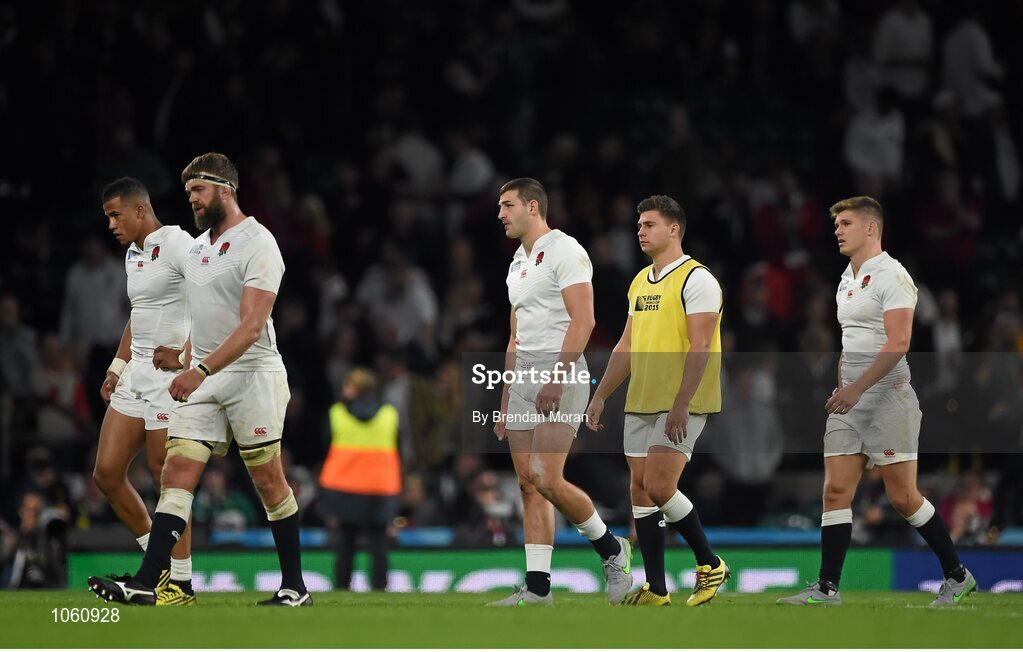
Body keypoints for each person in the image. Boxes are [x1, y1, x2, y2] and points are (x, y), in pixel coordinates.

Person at [89, 152, 310, 607]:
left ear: (224, 190)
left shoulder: (258, 241)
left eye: (197, 191)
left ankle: (295, 586)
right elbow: (199, 318)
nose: (190, 199)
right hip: (203, 379)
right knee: (176, 473)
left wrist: (196, 369)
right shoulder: (202, 247)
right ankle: (156, 583)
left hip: (252, 374)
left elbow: (251, 327)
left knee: (269, 482)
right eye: (188, 191)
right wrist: (183, 359)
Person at [778, 196, 975, 607]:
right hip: (850, 401)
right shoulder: (846, 279)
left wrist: (856, 389)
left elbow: (899, 342)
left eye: (845, 223)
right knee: (834, 492)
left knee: (903, 497)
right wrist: (841, 387)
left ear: (871, 228)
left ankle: (957, 575)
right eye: (836, 224)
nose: (837, 230)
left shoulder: (894, 276)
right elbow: (850, 344)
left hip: (888, 399)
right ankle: (828, 588)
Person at [489, 177, 632, 607]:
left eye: (508, 205)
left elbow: (584, 320)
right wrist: (505, 396)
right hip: (524, 380)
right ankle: (537, 589)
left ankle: (611, 548)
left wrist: (556, 378)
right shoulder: (517, 261)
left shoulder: (567, 250)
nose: (500, 214)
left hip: (561, 375)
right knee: (527, 485)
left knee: (546, 477)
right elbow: (515, 334)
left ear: (533, 207)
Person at [586, 195, 729, 607]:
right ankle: (657, 588)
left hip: (683, 399)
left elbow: (701, 345)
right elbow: (626, 346)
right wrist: (601, 396)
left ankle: (710, 562)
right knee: (640, 492)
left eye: (649, 224)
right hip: (642, 397)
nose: (640, 231)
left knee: (660, 484)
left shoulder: (697, 279)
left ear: (673, 229)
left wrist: (683, 402)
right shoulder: (639, 281)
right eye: (639, 225)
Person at [93, 177, 196, 605]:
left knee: (165, 477)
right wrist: (117, 368)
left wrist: (189, 359)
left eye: (116, 215)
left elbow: (218, 299)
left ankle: (180, 584)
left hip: (170, 380)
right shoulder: (133, 256)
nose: (111, 225)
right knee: (107, 474)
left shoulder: (178, 244)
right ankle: (159, 568)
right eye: (107, 218)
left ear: (140, 210)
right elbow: (140, 313)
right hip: (136, 375)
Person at [319, 368, 402, 592]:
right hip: (381, 486)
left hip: (343, 486)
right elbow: (400, 448)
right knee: (379, 542)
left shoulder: (336, 413)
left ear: (354, 389)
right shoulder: (389, 414)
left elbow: (323, 446)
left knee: (345, 541)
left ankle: (342, 588)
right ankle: (380, 589)